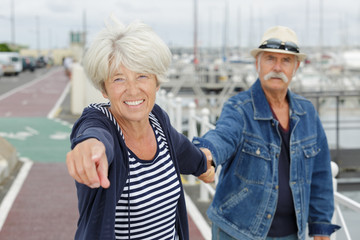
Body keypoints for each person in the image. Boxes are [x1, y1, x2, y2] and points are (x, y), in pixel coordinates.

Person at [66, 17, 214, 240]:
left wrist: (204, 165)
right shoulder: (100, 121)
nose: (132, 90)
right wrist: (89, 147)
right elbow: (93, 135)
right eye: (118, 79)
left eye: (142, 76)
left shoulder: (157, 120)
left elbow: (182, 148)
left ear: (157, 82)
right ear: (104, 88)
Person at [193, 26, 341, 240]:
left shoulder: (307, 112)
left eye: (286, 60)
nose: (278, 67)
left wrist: (320, 228)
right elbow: (223, 135)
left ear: (296, 67)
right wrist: (206, 155)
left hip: (291, 234)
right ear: (258, 63)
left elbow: (320, 175)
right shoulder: (239, 108)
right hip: (237, 232)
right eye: (270, 58)